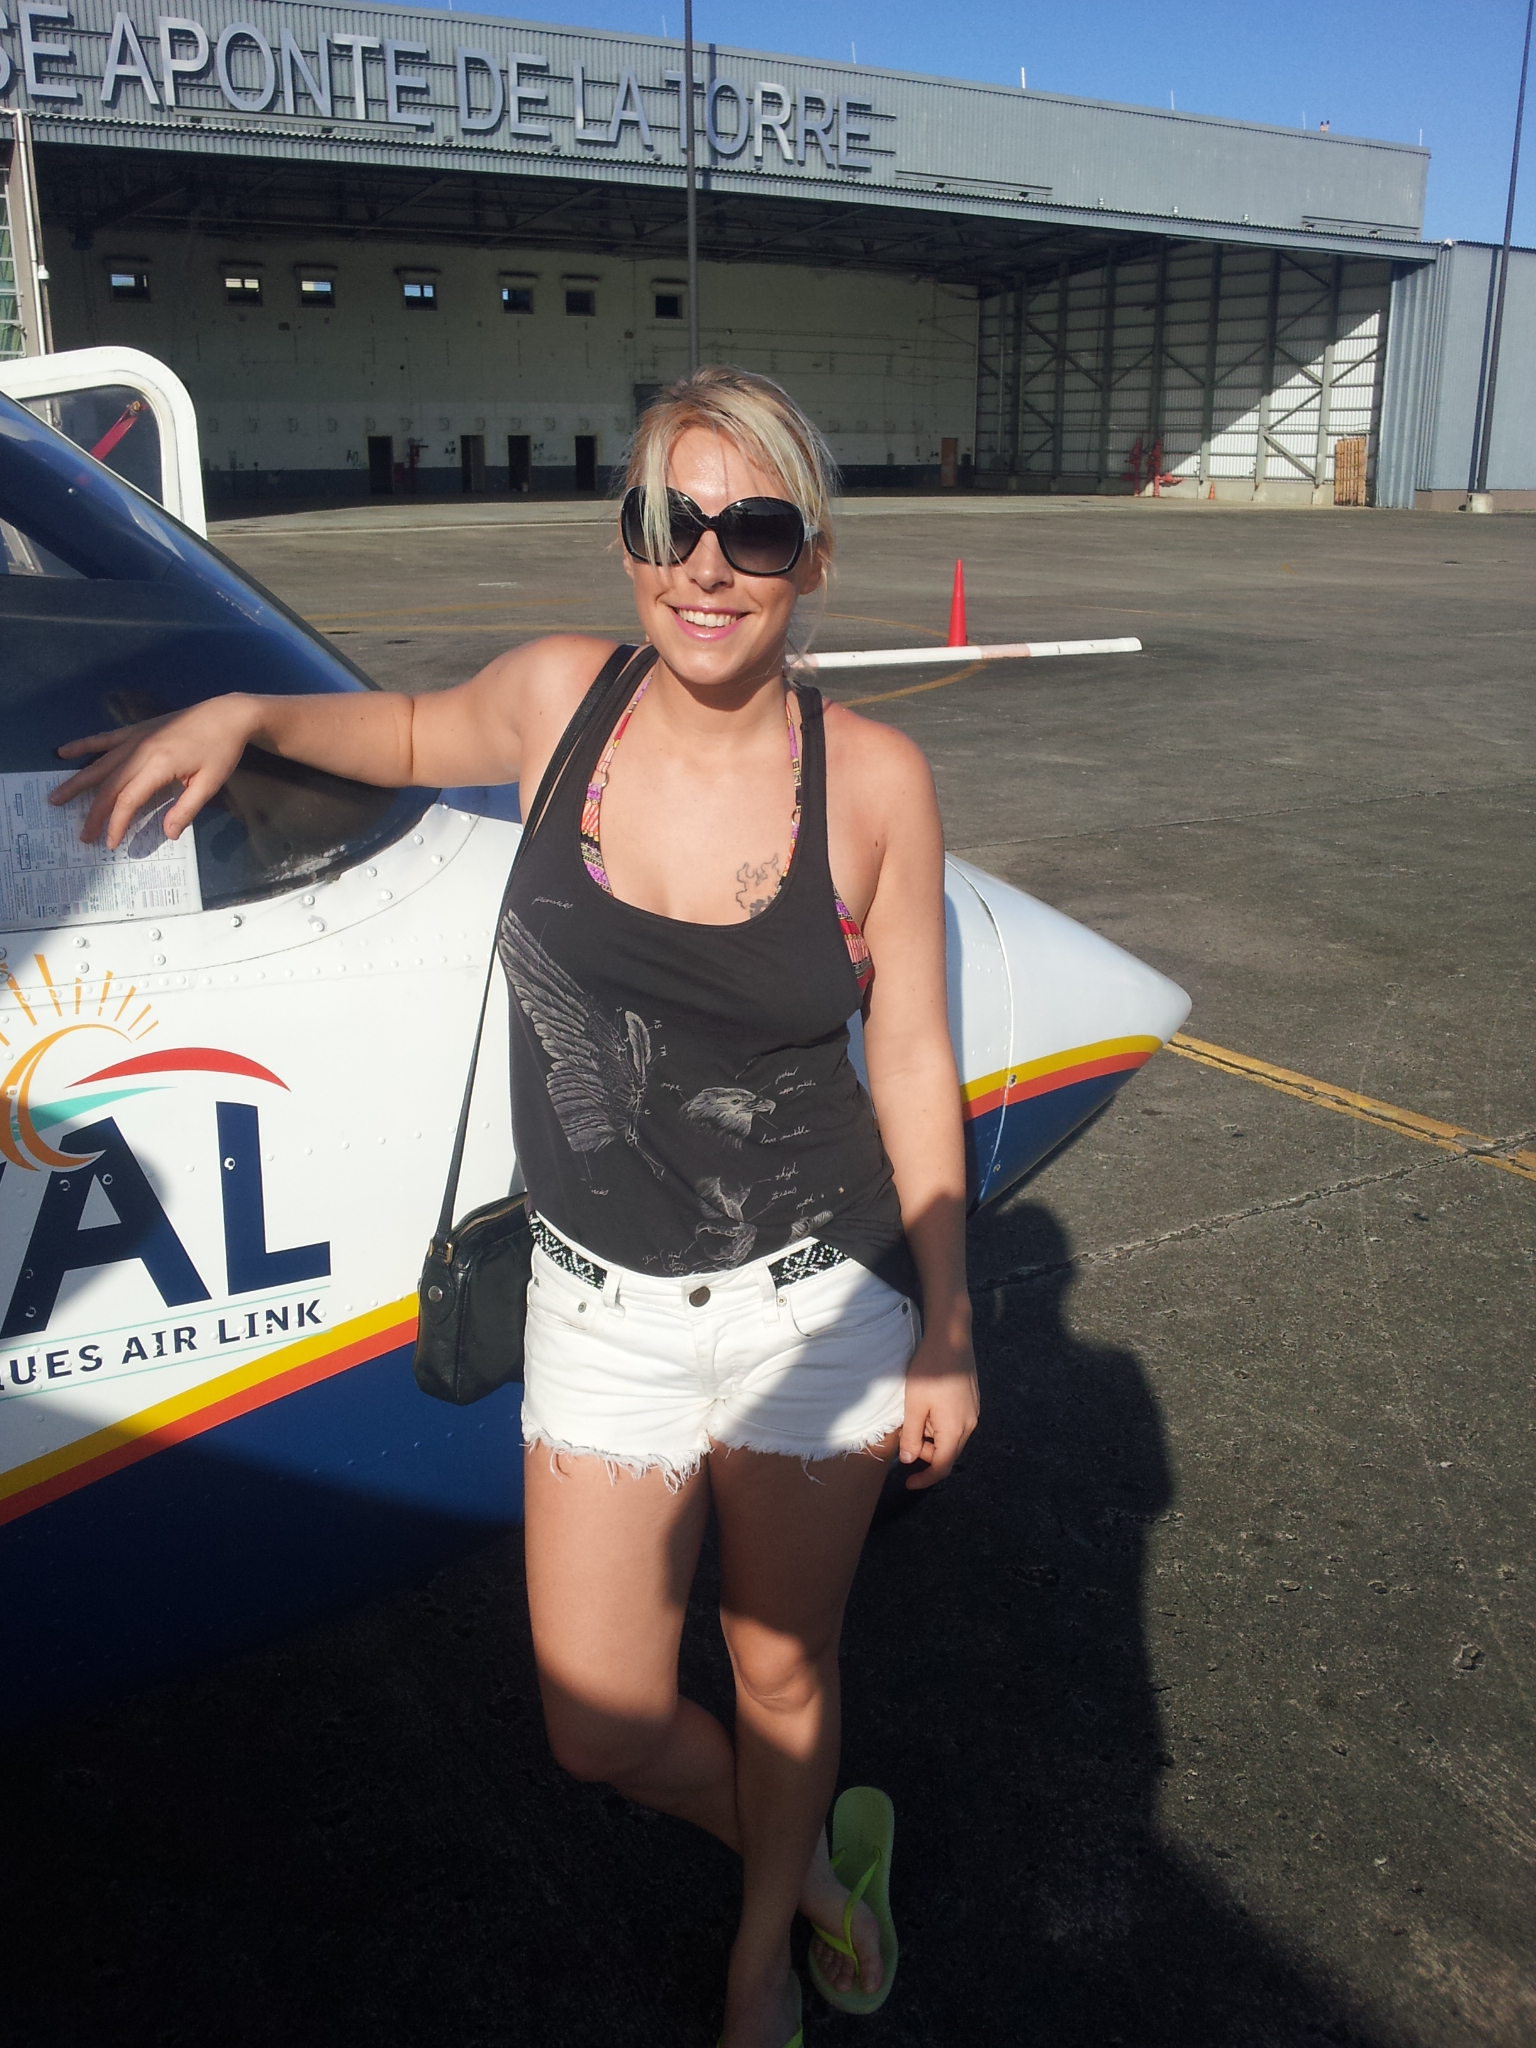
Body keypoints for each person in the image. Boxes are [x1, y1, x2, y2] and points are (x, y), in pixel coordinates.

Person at [53, 367, 980, 2048]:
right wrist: (242, 713)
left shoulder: (877, 783)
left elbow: (910, 1053)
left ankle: (765, 1955)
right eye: (669, 520)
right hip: (599, 1312)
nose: (707, 564)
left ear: (815, 558)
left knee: (783, 1670)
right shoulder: (565, 701)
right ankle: (800, 1860)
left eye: (756, 529)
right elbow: (411, 735)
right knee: (598, 1721)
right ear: (628, 539)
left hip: (819, 1301)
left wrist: (952, 1326)